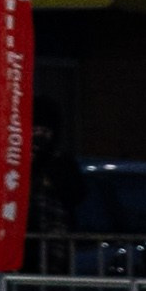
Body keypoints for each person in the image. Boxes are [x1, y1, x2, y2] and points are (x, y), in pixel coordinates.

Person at [26, 97, 88, 235]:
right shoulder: (17, 161)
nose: (40, 135)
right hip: (26, 238)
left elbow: (77, 194)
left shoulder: (62, 162)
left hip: (55, 235)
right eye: (36, 129)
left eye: (45, 130)